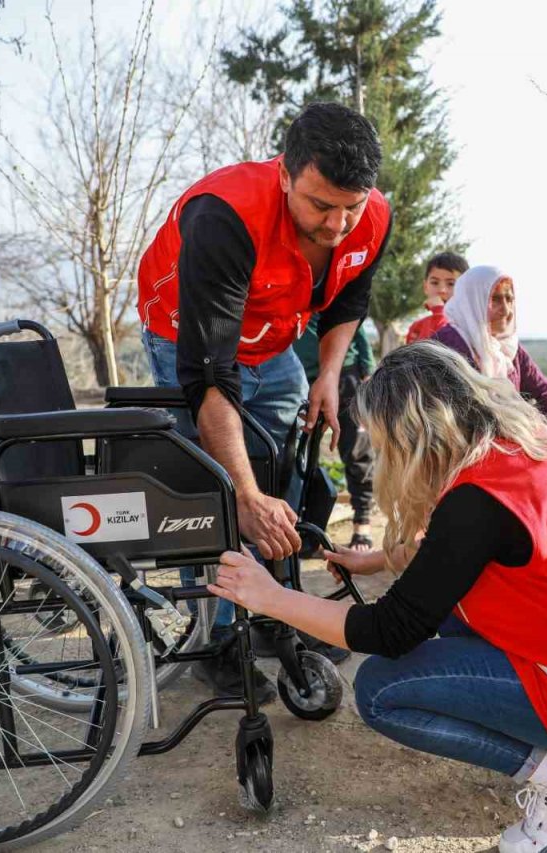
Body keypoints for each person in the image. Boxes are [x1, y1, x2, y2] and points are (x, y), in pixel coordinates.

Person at [207, 342, 547, 853]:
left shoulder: (475, 501)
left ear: (412, 433)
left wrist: (269, 596)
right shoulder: (534, 444)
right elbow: (497, 542)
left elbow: (388, 631)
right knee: (454, 613)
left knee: (380, 689)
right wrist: (383, 559)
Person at [136, 102, 392, 699]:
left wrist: (328, 374)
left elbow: (348, 300)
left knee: (289, 472)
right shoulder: (224, 215)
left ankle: (278, 612)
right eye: (320, 205)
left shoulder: (370, 217)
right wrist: (244, 494)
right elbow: (209, 374)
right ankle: (219, 637)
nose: (336, 225)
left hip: (275, 337)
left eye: (350, 207)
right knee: (214, 488)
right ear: (285, 174)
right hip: (190, 334)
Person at [431, 265, 547, 446]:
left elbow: (543, 391)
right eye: (495, 299)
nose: (506, 310)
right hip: (465, 452)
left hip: (508, 445)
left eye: (509, 299)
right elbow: (460, 413)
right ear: (472, 300)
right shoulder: (446, 346)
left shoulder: (509, 349)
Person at [292, 315, 376, 550]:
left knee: (357, 451)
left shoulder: (332, 283)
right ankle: (308, 531)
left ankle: (362, 523)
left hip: (345, 373)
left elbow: (354, 321)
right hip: (300, 375)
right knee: (302, 458)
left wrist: (367, 371)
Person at [405, 251, 468, 343]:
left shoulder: (469, 326)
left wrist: (438, 310)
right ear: (425, 287)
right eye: (434, 283)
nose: (442, 290)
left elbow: (444, 344)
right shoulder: (417, 327)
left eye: (451, 284)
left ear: (465, 289)